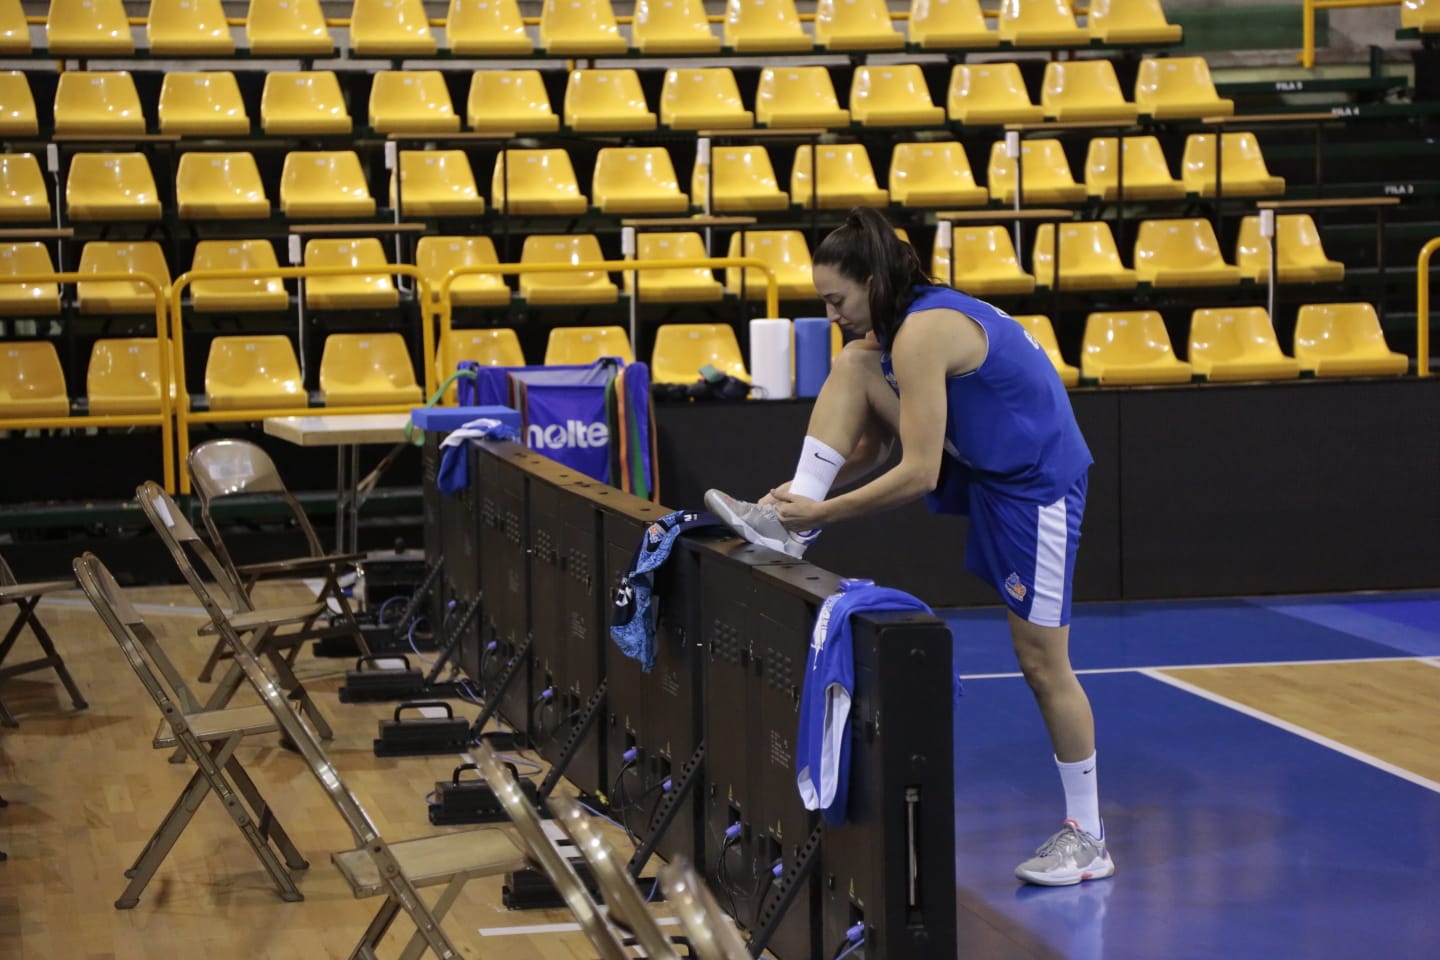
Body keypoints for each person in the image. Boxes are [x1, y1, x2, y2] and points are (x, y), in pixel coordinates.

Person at [705, 207, 1111, 887]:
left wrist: (826, 509)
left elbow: (919, 470)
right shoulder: (891, 332)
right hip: (982, 460)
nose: (831, 311)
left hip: (1034, 488)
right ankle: (789, 524)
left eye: (836, 299)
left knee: (1043, 662)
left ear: (871, 279)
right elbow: (876, 446)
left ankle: (1089, 836)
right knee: (856, 363)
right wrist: (801, 498)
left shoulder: (923, 333)